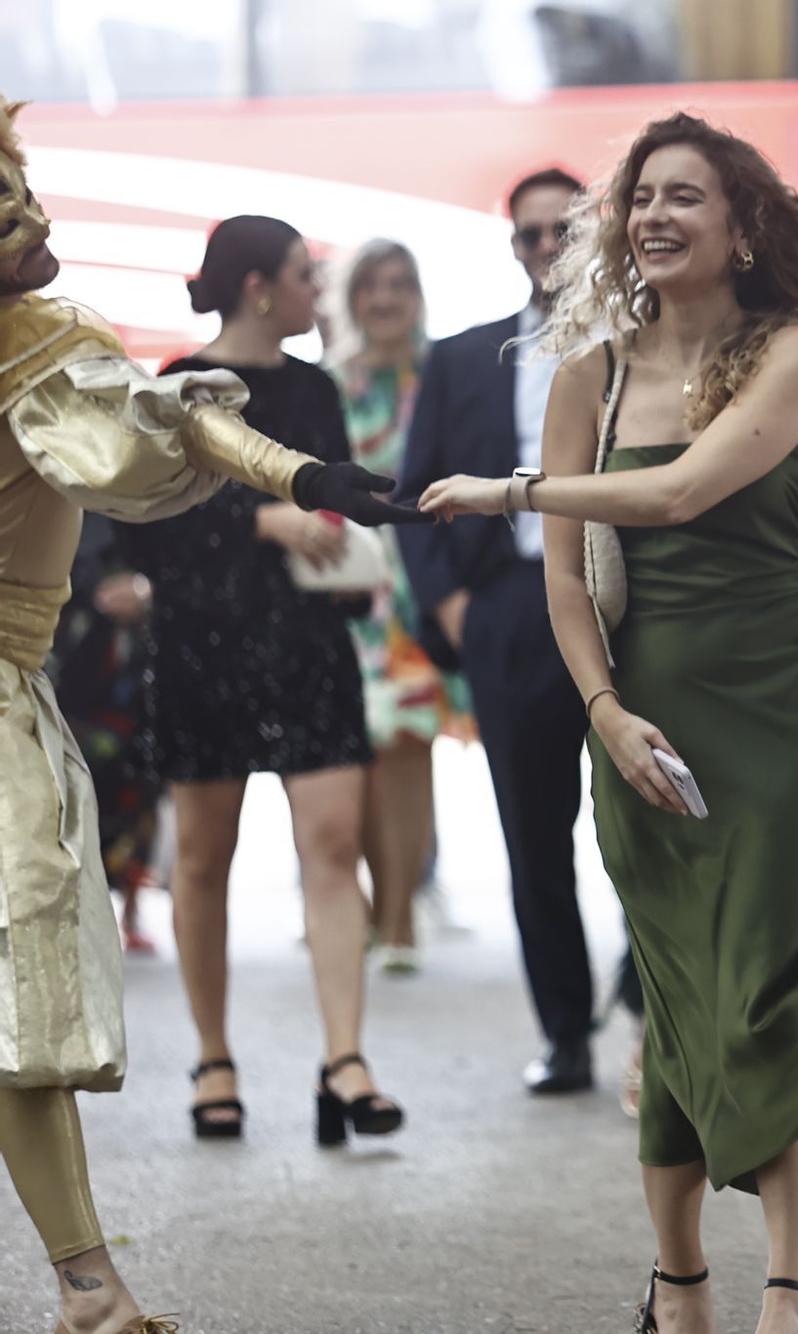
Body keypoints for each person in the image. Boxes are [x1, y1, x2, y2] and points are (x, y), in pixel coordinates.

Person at [418, 110, 798, 1334]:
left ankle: (787, 1293)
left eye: (685, 195)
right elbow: (566, 579)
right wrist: (605, 713)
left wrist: (510, 489)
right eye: (641, 196)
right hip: (642, 713)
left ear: (743, 226)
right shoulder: (590, 364)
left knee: (778, 989)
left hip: (781, 723)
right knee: (684, 997)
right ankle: (679, 1275)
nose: (654, 216)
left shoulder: (794, 350)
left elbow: (682, 490)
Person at [0, 98, 412, 1332]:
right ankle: (92, 1290)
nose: (34, 217)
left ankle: (90, 1287)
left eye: (22, 187)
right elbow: (152, 450)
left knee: (23, 980)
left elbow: (150, 433)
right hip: (72, 687)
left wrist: (300, 473)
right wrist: (288, 476)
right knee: (26, 966)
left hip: (106, 676)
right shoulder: (38, 347)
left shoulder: (40, 345)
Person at [116, 214, 406, 1150]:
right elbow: (146, 528)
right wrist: (262, 525)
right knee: (203, 857)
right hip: (204, 644)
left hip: (308, 642)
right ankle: (213, 1058)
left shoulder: (315, 387)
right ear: (256, 287)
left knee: (333, 841)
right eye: (302, 276)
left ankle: (345, 1058)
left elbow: (329, 494)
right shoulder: (177, 386)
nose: (317, 293)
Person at [397, 167, 604, 1095]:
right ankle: (565, 1032)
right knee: (534, 833)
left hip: (625, 603)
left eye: (567, 229)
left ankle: (657, 1000)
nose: (549, 247)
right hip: (511, 611)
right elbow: (413, 494)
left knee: (672, 814)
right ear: (512, 245)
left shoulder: (645, 345)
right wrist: (452, 611)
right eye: (532, 234)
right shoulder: (461, 358)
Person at [326, 238, 463, 976]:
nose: (384, 298)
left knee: (407, 744)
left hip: (421, 592)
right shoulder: (325, 383)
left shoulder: (445, 371)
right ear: (349, 298)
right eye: (370, 284)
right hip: (345, 589)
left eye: (398, 282)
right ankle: (367, 907)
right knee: (358, 750)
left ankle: (401, 918)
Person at [49, 515, 162, 955]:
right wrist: (93, 591)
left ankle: (132, 907)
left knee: (143, 790)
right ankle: (67, 911)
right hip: (70, 668)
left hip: (139, 679)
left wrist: (143, 590)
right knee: (64, 797)